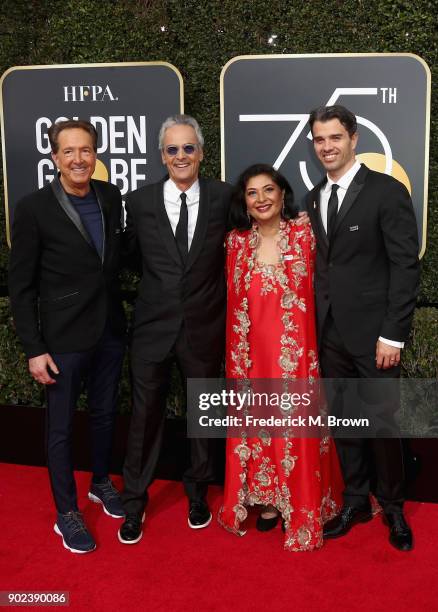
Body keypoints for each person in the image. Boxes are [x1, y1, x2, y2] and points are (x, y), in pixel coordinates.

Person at [8, 120, 126, 554]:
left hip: (110, 329)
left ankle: (99, 481)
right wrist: (34, 349)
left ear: (96, 154)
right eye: (69, 151)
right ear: (55, 157)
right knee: (59, 430)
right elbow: (21, 286)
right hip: (62, 339)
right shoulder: (33, 208)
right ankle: (67, 514)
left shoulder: (110, 197)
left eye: (87, 150)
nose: (79, 159)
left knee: (105, 414)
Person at [306, 105, 420, 551]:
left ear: (354, 139)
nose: (327, 146)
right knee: (345, 421)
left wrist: (393, 333)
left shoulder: (386, 191)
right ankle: (355, 499)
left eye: (335, 137)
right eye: (319, 139)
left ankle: (393, 507)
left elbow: (404, 265)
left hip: (376, 337)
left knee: (381, 424)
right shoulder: (314, 196)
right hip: (330, 332)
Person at [118, 114, 232, 544]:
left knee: (203, 416)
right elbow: (130, 258)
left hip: (203, 328)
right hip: (151, 329)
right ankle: (134, 503)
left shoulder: (224, 197)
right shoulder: (140, 201)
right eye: (172, 149)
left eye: (188, 148)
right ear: (161, 155)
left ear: (201, 153)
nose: (181, 156)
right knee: (144, 419)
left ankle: (198, 492)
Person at [218, 164, 343, 551]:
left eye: (268, 190)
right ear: (245, 202)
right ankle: (269, 501)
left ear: (283, 193)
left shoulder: (306, 235)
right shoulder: (235, 244)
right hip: (252, 358)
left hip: (296, 357)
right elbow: (233, 303)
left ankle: (303, 504)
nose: (262, 199)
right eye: (252, 193)